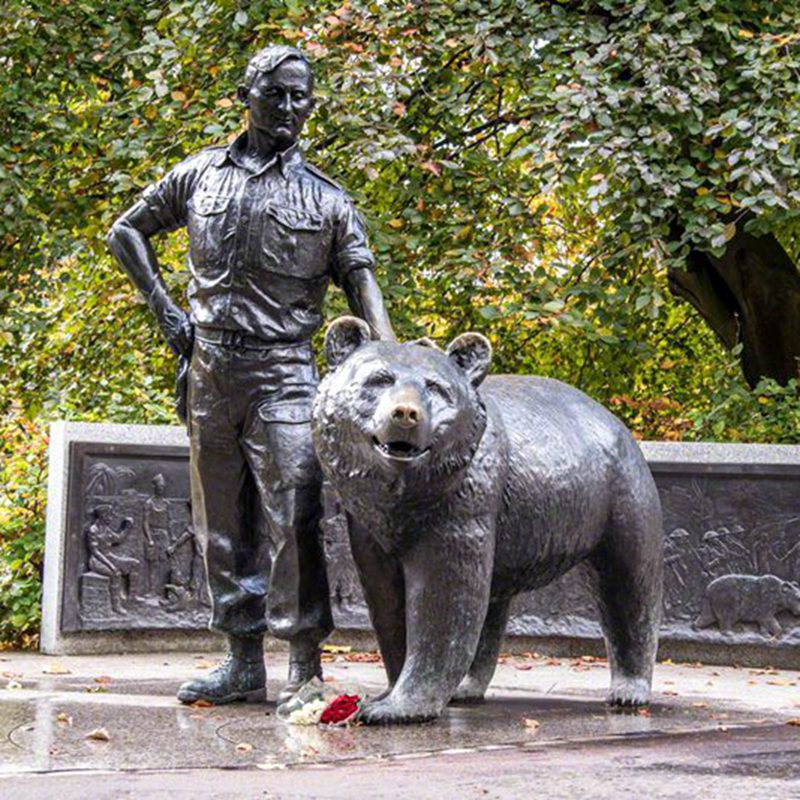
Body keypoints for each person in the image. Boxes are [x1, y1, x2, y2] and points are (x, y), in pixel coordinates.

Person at [107, 45, 394, 706]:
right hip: (208, 367)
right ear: (246, 94)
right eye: (278, 94)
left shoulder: (326, 198)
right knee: (220, 520)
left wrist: (389, 357)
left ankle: (302, 665)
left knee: (294, 514)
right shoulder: (200, 175)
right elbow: (128, 231)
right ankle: (240, 660)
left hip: (285, 372)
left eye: (301, 96)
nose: (291, 107)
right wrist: (168, 314)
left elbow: (360, 279)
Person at [85, 505, 140, 615]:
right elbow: (95, 552)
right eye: (109, 516)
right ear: (103, 516)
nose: (111, 518)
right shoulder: (93, 530)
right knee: (116, 574)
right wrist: (111, 565)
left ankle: (132, 597)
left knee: (135, 564)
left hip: (109, 556)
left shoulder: (106, 529)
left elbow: (118, 539)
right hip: (97, 561)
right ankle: (116, 606)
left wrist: (127, 527)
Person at [142, 473, 171, 597]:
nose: (161, 488)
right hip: (153, 535)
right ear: (154, 487)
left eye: (162, 487)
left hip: (164, 536)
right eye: (159, 486)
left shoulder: (167, 504)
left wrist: (172, 537)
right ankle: (152, 590)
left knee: (164, 563)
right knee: (153, 565)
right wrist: (149, 539)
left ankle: (164, 590)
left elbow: (170, 522)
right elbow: (145, 522)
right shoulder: (148, 503)